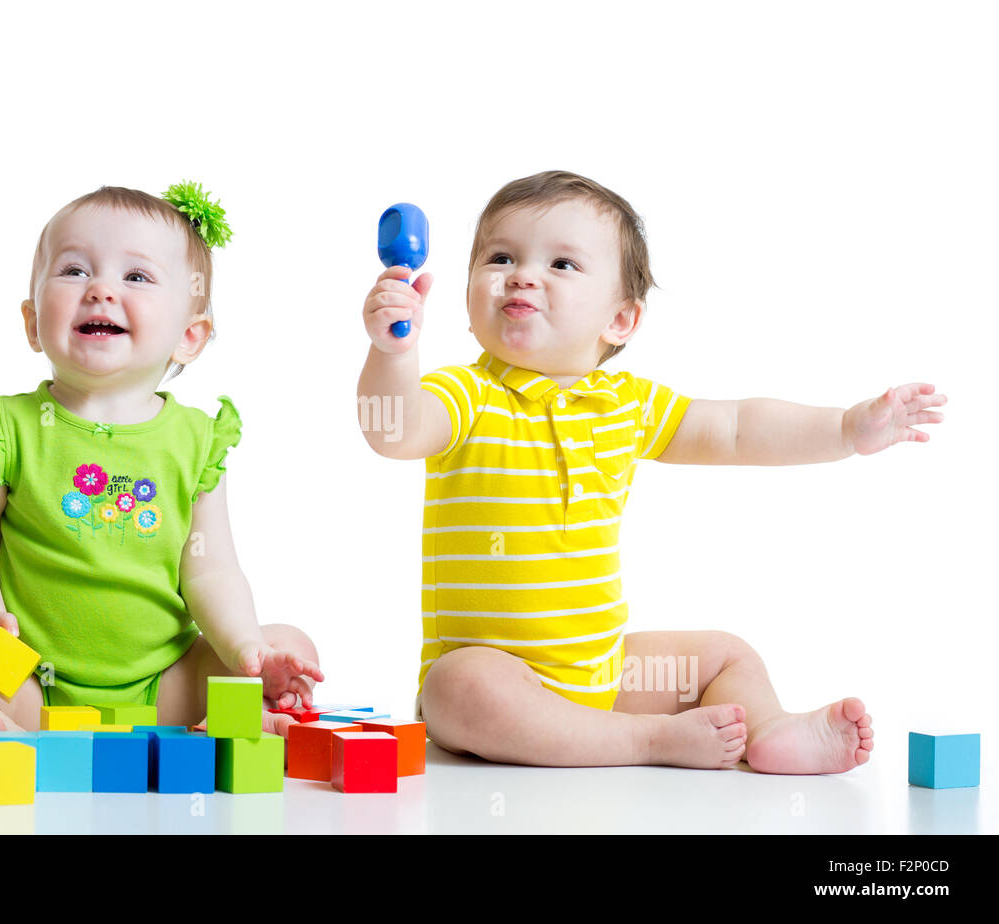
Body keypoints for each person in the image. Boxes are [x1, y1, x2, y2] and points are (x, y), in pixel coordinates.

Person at [357, 170, 946, 772]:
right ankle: (646, 741)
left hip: (605, 674)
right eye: (500, 256)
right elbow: (393, 430)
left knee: (725, 655)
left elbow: (737, 429)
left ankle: (767, 731)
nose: (523, 274)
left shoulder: (628, 406)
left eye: (562, 264)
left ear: (620, 321)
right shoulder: (467, 393)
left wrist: (846, 429)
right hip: (496, 681)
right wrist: (393, 352)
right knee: (458, 687)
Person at [0, 183, 322, 771]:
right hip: (28, 682)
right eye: (74, 270)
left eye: (138, 277)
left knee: (289, 642)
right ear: (31, 321)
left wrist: (250, 651)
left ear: (189, 335)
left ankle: (218, 722)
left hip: (164, 691)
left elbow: (212, 569)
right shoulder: (8, 427)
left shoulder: (196, 440)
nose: (100, 289)